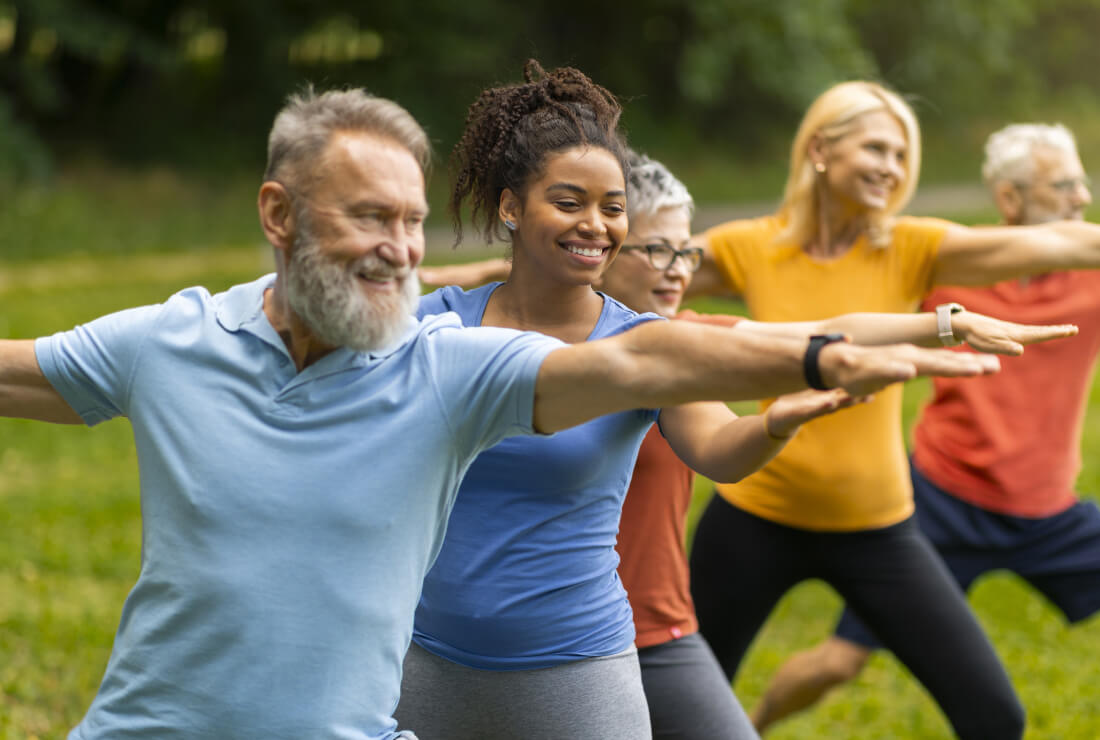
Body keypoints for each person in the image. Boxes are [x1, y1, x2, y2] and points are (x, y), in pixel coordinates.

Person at [0, 88, 1003, 739]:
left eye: (409, 221)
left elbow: (661, 353)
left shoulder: (456, 365)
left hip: (577, 654)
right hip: (315, 687)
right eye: (371, 217)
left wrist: (819, 355)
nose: (399, 247)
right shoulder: (224, 341)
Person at [419, 147, 1073, 740]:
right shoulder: (460, 327)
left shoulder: (679, 344)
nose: (676, 271)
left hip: (641, 629)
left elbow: (809, 339)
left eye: (685, 253)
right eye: (657, 250)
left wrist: (942, 323)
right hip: (468, 641)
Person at [685, 81, 1100, 740]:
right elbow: (629, 271)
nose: (893, 166)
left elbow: (1066, 246)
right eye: (877, 147)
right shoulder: (748, 246)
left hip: (877, 528)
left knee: (995, 716)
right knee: (675, 713)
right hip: (754, 519)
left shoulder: (913, 247)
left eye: (903, 154)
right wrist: (485, 279)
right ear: (819, 148)